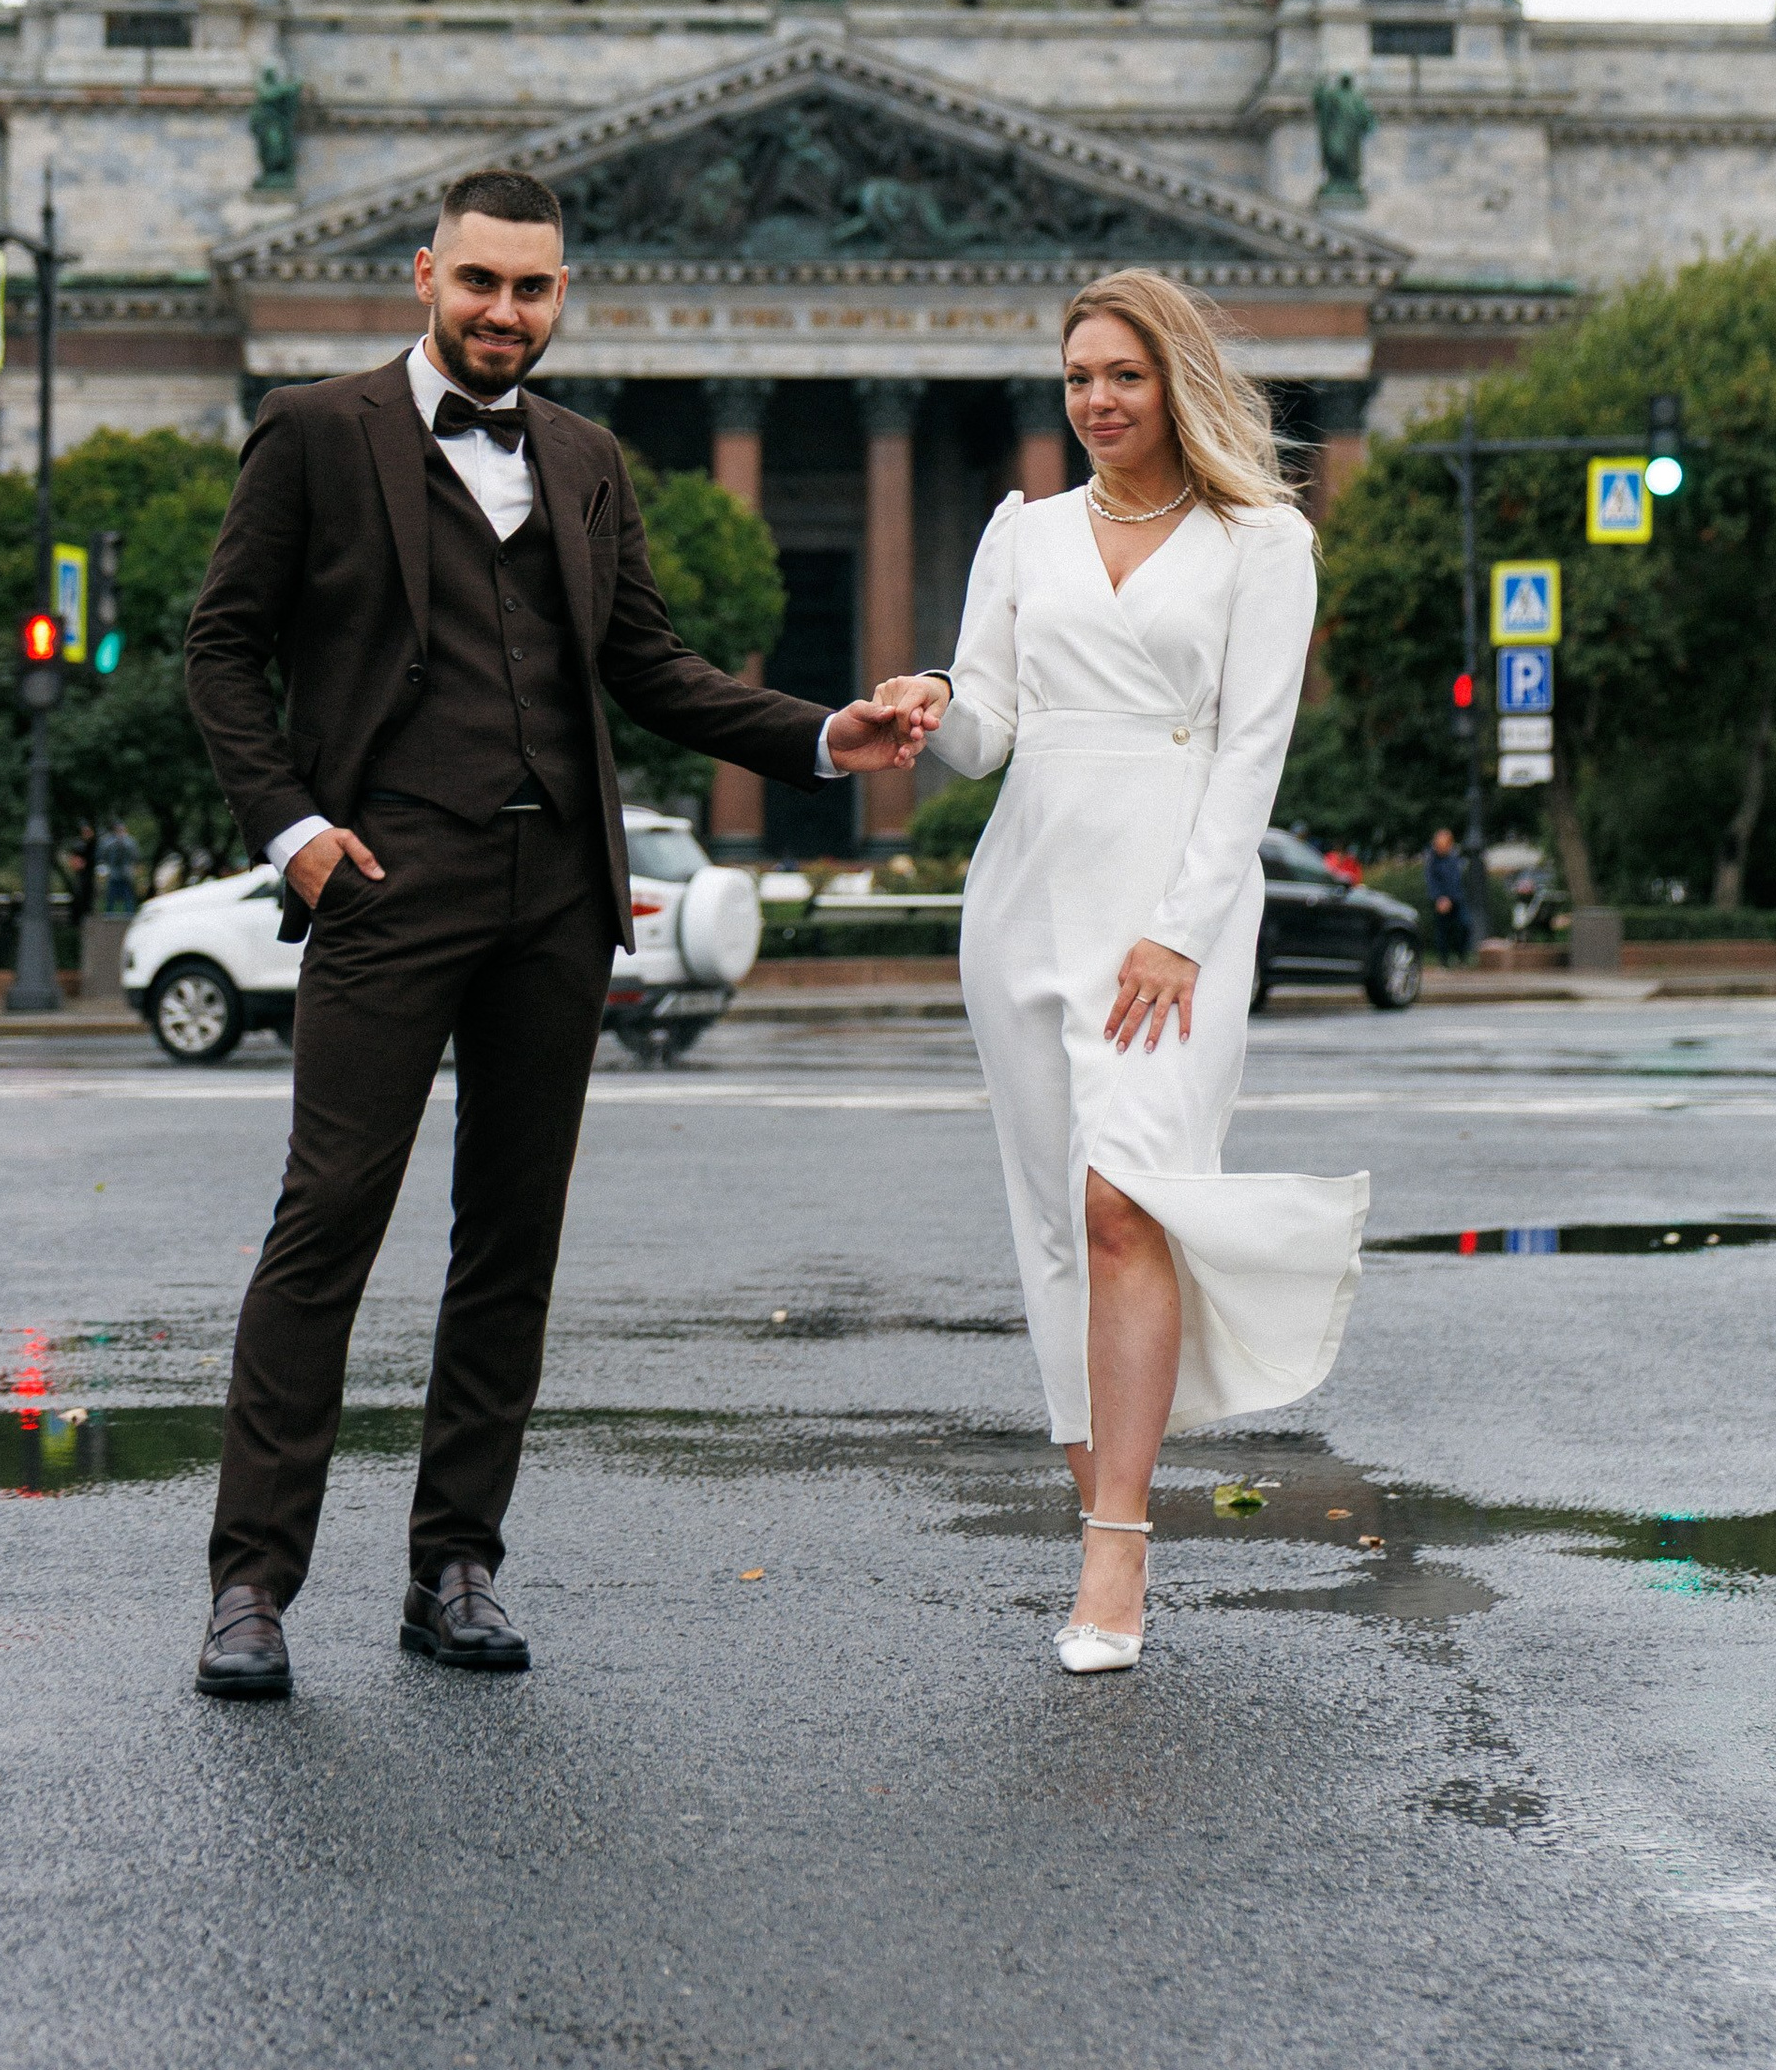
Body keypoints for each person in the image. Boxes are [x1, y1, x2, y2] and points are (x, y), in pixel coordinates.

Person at [181, 165, 931, 1698]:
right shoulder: (317, 431)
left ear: (560, 295)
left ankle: (456, 1567)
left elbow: (649, 666)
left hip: (557, 899)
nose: (504, 311)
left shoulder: (585, 457)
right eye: (480, 282)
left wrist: (819, 735)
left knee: (510, 1244)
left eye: (531, 288)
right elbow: (221, 648)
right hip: (386, 881)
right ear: (425, 275)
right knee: (326, 1228)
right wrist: (296, 834)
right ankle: (251, 1585)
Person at [875, 270, 1366, 1675]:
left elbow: (1252, 753)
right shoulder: (1022, 532)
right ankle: (1099, 1500)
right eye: (1079, 376)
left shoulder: (1262, 539)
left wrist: (1183, 926)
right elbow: (989, 732)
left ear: (1178, 382)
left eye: (1124, 375)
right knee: (1054, 1224)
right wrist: (931, 701)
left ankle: (1118, 1548)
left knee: (1124, 1203)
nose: (1096, 399)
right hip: (1025, 897)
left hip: (1169, 914)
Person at [1423, 827, 1473, 964]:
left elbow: (1458, 879)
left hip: (1457, 898)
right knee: (1442, 930)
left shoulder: (1455, 857)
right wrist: (1439, 898)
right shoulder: (1432, 860)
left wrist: (1453, 897)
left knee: (1464, 925)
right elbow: (1431, 881)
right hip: (1441, 900)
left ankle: (1461, 956)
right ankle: (1443, 959)